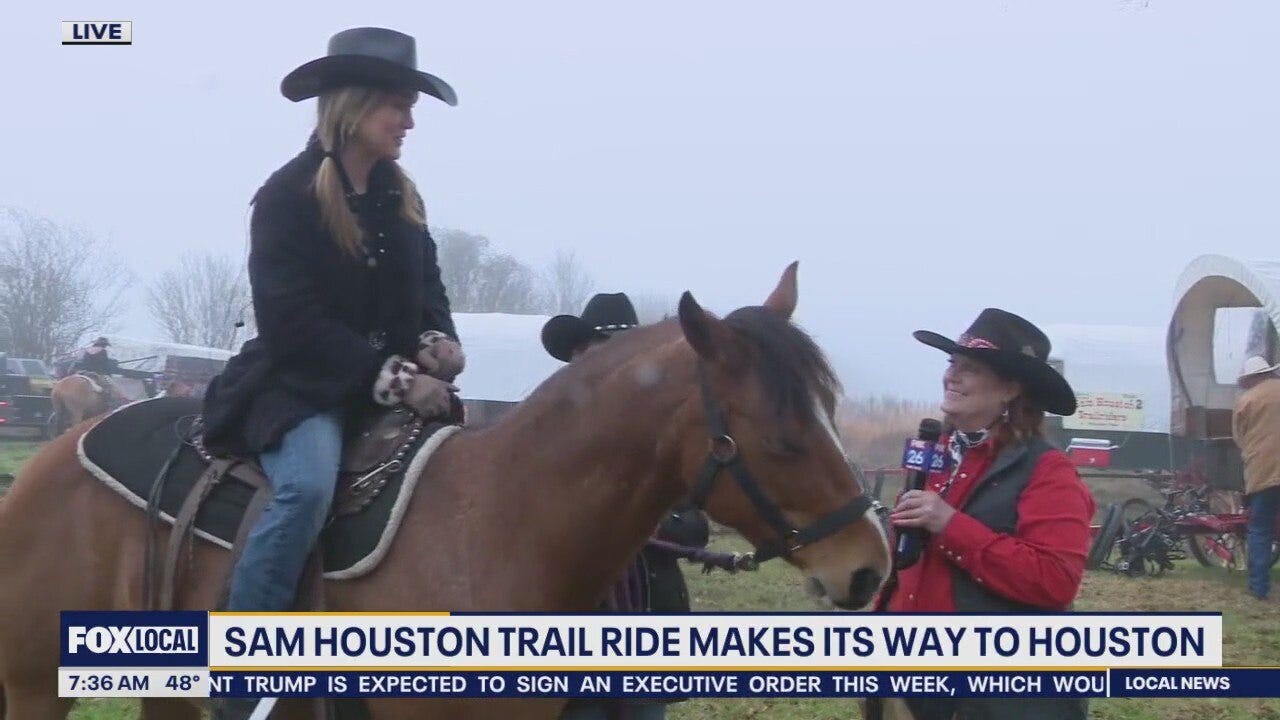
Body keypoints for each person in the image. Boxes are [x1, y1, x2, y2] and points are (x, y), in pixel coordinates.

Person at [199, 27, 464, 717]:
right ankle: (243, 676)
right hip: (300, 386)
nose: (408, 122)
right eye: (397, 107)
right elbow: (293, 325)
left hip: (389, 382)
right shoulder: (286, 197)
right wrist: (400, 380)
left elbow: (427, 289)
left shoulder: (401, 196)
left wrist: (440, 342)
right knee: (308, 490)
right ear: (354, 107)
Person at [882, 309, 1094, 720]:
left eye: (971, 368)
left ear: (1010, 389)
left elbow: (1056, 581)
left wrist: (950, 525)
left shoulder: (1048, 471)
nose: (952, 376)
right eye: (952, 364)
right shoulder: (935, 455)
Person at [542, 293, 732, 720]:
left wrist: (638, 522)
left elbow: (693, 529)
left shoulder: (660, 444)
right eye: (598, 350)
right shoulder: (545, 441)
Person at [1232, 355, 1280, 601]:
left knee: (1260, 528)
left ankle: (1259, 588)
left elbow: (1239, 438)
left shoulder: (1247, 400)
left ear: (1251, 378)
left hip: (1265, 472)